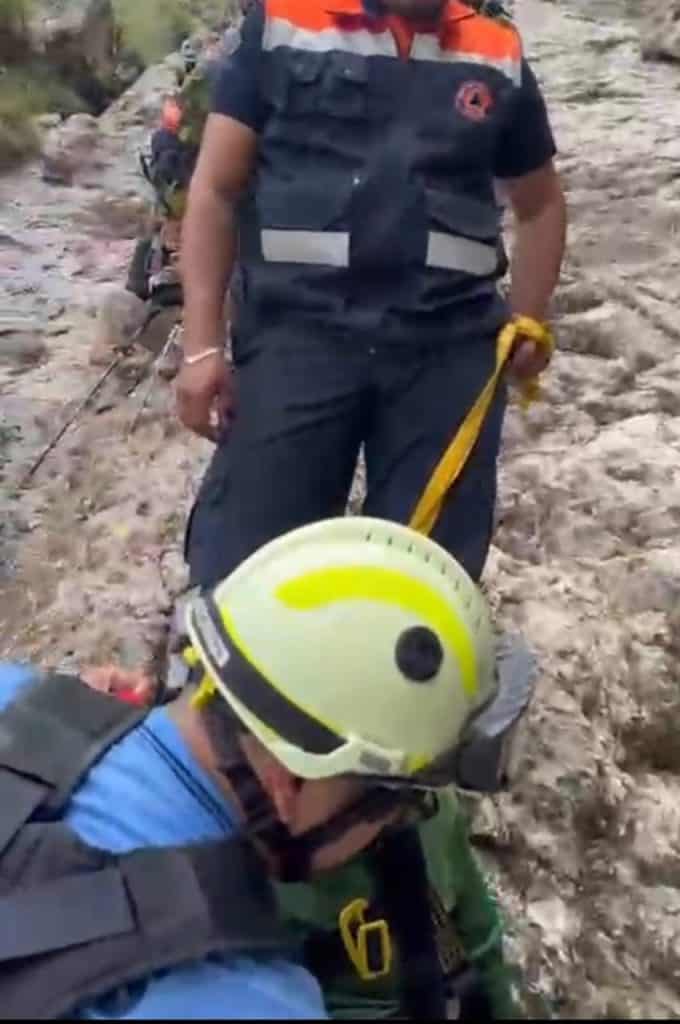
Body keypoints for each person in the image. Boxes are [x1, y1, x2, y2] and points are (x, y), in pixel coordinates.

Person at [0, 517, 533, 1019]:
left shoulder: (18, 701)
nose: (400, 826)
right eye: (399, 805)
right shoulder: (253, 998)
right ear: (289, 783)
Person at [177, 0, 566, 589]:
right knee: (251, 571)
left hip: (448, 352)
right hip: (299, 339)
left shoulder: (497, 52)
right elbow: (215, 190)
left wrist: (530, 317)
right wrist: (202, 349)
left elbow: (540, 205)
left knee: (427, 581)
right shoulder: (284, 24)